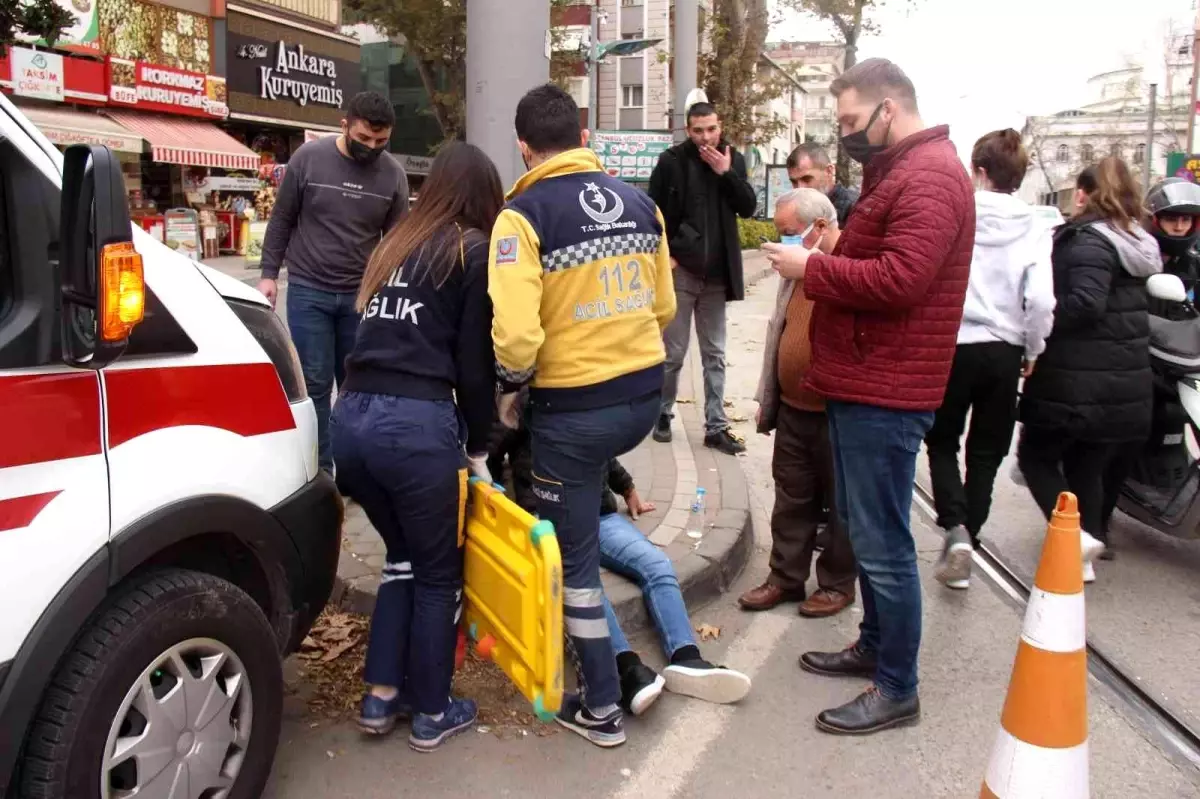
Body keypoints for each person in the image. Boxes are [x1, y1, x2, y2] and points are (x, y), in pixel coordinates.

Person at [762, 58, 974, 735]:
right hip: (867, 380)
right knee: (871, 527)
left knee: (882, 543)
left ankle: (896, 686)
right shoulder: (904, 172)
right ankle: (876, 647)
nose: (846, 135)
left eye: (852, 122)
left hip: (888, 388)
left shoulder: (931, 175)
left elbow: (904, 278)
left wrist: (814, 267)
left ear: (890, 109)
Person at [488, 84, 676, 749]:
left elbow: (514, 341)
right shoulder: (640, 203)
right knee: (585, 527)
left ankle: (600, 704)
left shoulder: (522, 217)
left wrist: (513, 389)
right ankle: (625, 663)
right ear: (583, 133)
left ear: (524, 146)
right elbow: (664, 311)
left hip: (574, 414)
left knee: (575, 565)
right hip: (642, 399)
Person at [330, 142, 501, 751]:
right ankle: (432, 710)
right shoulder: (470, 250)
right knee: (437, 576)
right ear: (483, 197)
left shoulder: (395, 245)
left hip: (350, 422)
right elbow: (475, 368)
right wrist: (480, 447)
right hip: (414, 427)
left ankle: (380, 698)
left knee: (402, 559)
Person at [1017, 156, 1160, 584]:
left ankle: (1077, 538)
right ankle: (1089, 545)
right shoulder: (1137, 242)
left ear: (1084, 193)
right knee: (1086, 466)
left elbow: (1085, 302)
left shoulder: (1088, 241)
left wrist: (1038, 325)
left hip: (1075, 380)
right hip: (1124, 381)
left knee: (1035, 456)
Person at [924, 130, 1056, 590]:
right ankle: (969, 543)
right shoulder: (1037, 226)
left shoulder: (960, 212)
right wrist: (1033, 348)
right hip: (1005, 350)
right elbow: (1040, 299)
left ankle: (955, 528)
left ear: (978, 170)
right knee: (986, 452)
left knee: (941, 439)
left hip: (953, 344)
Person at [257, 91, 410, 475]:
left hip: (361, 297)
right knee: (315, 383)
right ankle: (322, 470)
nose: (371, 148)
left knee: (358, 386)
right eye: (363, 139)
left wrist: (394, 294)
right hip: (309, 289)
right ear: (345, 125)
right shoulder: (308, 160)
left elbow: (396, 244)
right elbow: (281, 220)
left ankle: (353, 469)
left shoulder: (393, 175)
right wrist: (268, 275)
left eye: (380, 142)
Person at [738, 188, 856, 617]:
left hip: (836, 412)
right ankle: (785, 578)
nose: (783, 242)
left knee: (841, 504)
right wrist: (769, 396)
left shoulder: (848, 266)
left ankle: (837, 583)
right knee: (791, 498)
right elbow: (780, 329)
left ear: (820, 227)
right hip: (793, 407)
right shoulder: (793, 270)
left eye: (789, 233)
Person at [648, 101, 758, 455]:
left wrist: (727, 173)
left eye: (711, 129)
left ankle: (715, 426)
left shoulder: (733, 158)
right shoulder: (672, 162)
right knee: (673, 352)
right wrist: (669, 257)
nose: (706, 137)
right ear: (687, 129)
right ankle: (663, 413)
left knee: (715, 353)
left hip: (717, 274)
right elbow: (654, 215)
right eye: (698, 131)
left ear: (720, 125)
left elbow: (748, 207)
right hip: (682, 270)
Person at [785, 142, 859, 228]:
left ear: (829, 171)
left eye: (807, 179)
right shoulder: (799, 209)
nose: (800, 188)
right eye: (794, 182)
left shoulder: (856, 207)